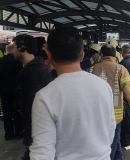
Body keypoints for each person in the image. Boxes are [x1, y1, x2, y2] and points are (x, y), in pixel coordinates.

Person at [29, 27, 116, 160]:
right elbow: (110, 129)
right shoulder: (103, 86)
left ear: (49, 54)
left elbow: (42, 153)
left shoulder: (45, 97)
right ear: (82, 55)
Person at [88, 44, 130, 160]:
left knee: (113, 143)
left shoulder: (91, 69)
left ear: (101, 54)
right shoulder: (120, 69)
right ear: (115, 55)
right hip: (115, 116)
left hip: (96, 114)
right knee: (112, 143)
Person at [11, 34, 53, 160]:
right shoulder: (36, 69)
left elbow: (32, 107)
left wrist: (30, 137)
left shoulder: (31, 73)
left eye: (13, 47)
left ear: (22, 48)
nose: (11, 51)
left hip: (37, 133)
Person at [0, 44, 23, 140]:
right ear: (12, 50)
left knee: (6, 113)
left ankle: (8, 134)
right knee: (16, 112)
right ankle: (18, 132)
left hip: (3, 92)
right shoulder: (17, 62)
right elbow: (21, 77)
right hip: (15, 92)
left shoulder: (0, 61)